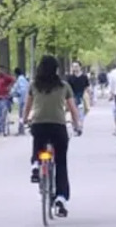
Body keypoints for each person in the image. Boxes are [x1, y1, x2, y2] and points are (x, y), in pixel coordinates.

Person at [22, 55, 82, 218]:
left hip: (39, 125)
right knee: (61, 162)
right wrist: (77, 125)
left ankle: (36, 164)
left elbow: (27, 106)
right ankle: (61, 198)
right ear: (56, 69)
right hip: (58, 127)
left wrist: (24, 120)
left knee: (38, 141)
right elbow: (73, 109)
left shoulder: (34, 86)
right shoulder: (64, 86)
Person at [0, 65, 15, 134]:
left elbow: (13, 80)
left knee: (4, 114)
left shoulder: (6, 77)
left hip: (5, 97)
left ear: (3, 70)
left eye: (1, 70)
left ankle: (4, 128)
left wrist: (9, 87)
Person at [11, 67, 30, 134]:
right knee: (21, 115)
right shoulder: (22, 79)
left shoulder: (20, 79)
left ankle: (21, 130)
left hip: (22, 100)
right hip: (23, 99)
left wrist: (18, 93)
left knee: (21, 115)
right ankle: (21, 129)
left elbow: (23, 89)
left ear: (16, 73)